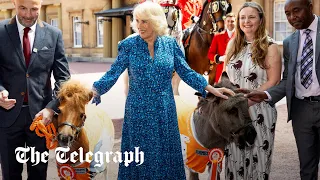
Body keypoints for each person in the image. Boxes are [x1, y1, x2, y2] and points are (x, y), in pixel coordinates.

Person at [92, 2, 234, 179]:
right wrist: (96, 89)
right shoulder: (129, 45)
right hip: (138, 112)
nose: (139, 25)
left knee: (164, 158)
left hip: (165, 110)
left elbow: (186, 72)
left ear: (156, 21)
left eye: (144, 21)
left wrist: (209, 89)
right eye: (137, 21)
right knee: (141, 158)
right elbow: (114, 72)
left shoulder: (170, 44)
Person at [245, 0, 320, 179]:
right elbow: (288, 80)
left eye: (296, 11)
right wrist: (265, 94)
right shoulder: (289, 42)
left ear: (309, 7)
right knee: (307, 168)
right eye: (287, 14)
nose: (292, 17)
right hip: (301, 111)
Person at [0, 0, 70, 179]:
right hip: (7, 119)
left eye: (34, 9)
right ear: (14, 4)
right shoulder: (0, 31)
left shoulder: (54, 34)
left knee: (39, 174)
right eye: (23, 8)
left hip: (41, 120)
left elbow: (63, 79)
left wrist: (51, 108)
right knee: (10, 174)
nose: (28, 15)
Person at [222, 2, 282, 179]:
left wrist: (246, 100)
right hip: (233, 113)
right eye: (242, 17)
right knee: (234, 159)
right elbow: (225, 77)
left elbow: (274, 80)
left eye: (251, 17)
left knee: (258, 160)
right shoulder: (232, 44)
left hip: (259, 110)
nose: (246, 21)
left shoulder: (270, 46)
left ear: (261, 19)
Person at [207, 13, 236, 83]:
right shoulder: (217, 37)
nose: (230, 23)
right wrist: (220, 58)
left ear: (236, 22)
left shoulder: (241, 36)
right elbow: (210, 54)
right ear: (225, 22)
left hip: (237, 72)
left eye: (232, 21)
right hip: (222, 73)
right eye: (228, 21)